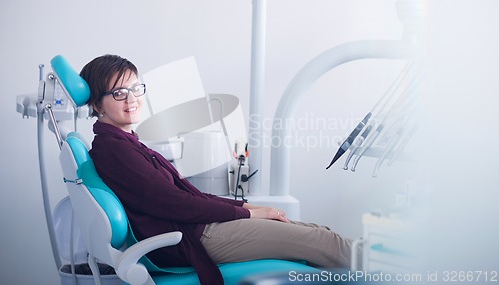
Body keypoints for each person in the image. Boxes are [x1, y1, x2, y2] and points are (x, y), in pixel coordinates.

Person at [80, 54, 354, 285]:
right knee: (323, 242)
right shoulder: (115, 150)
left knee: (317, 233)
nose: (132, 99)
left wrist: (246, 206)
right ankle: (392, 268)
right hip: (193, 238)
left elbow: (189, 196)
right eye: (119, 93)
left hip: (196, 229)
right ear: (96, 104)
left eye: (136, 88)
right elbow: (174, 203)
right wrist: (245, 212)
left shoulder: (125, 144)